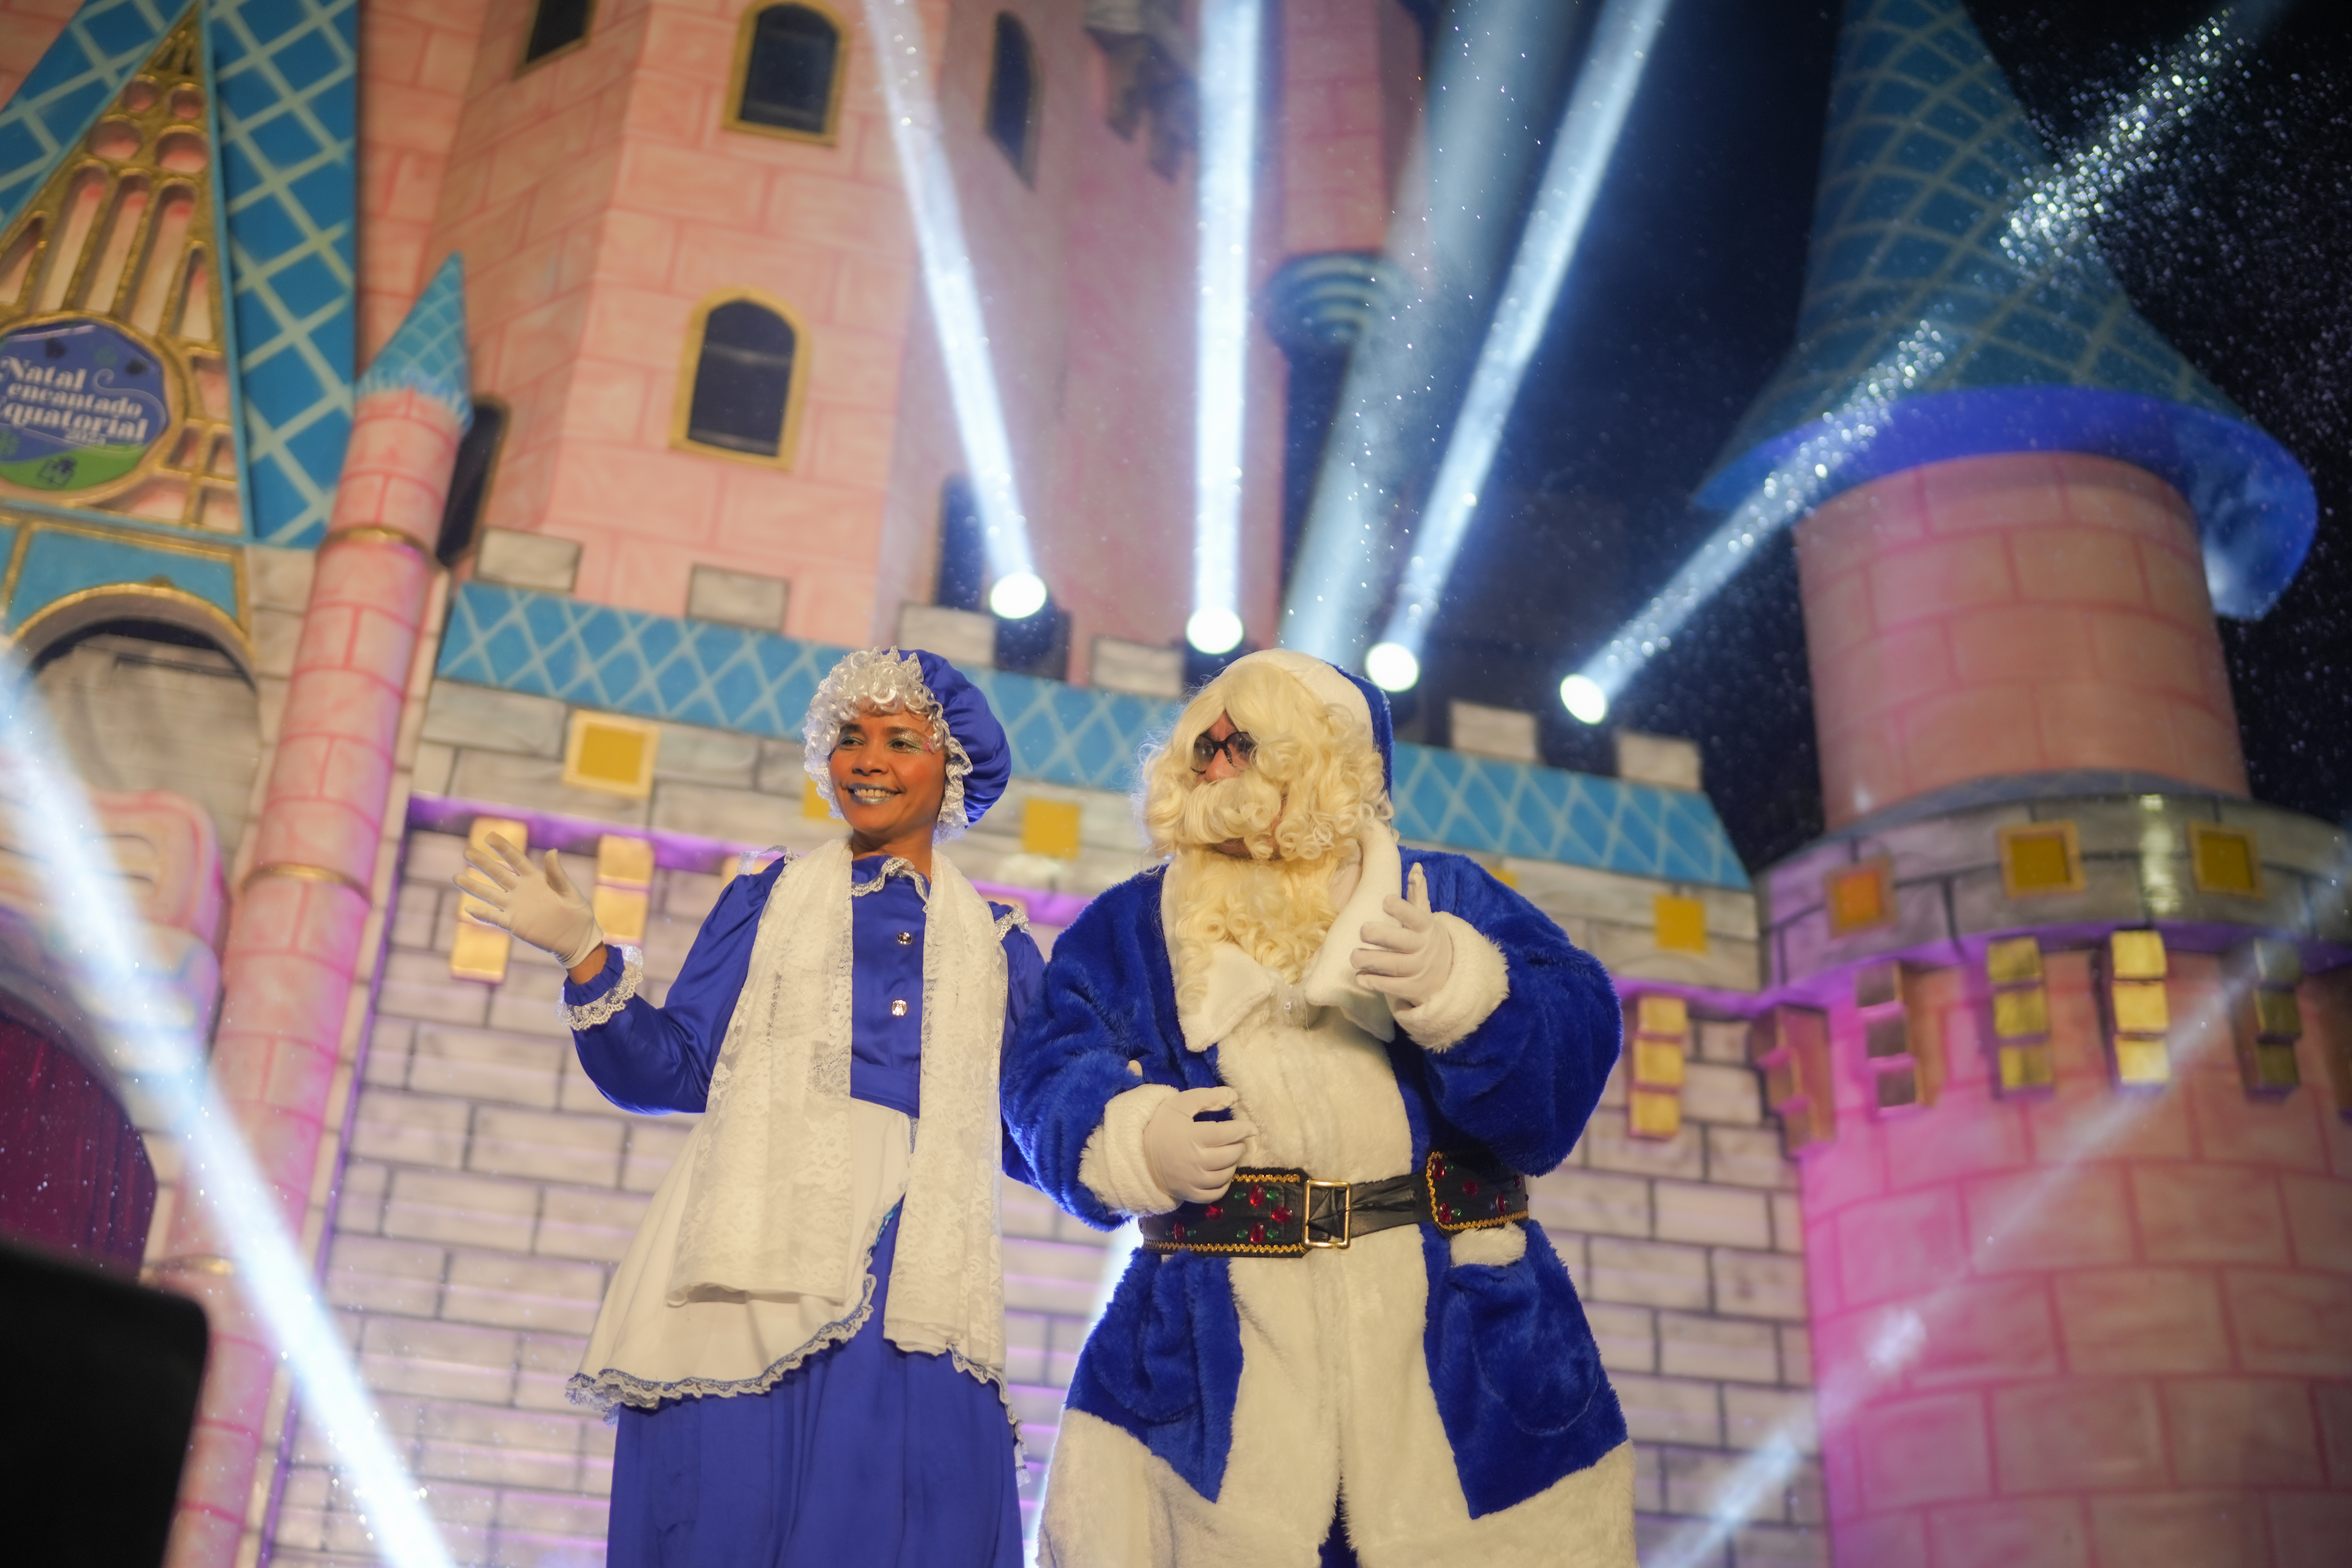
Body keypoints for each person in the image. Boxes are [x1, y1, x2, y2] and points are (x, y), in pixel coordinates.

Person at [1002, 650, 1634, 1567]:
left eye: (1242, 744)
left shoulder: (1444, 894)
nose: (1214, 766)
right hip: (1215, 1367)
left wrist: (1463, 987)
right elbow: (1042, 1076)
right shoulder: (1130, 928)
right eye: (1203, 746)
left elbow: (1571, 1052)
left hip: (1457, 1359)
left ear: (1324, 759)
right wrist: (1133, 1137)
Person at [456, 648, 1038, 1568]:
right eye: (850, 737)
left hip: (913, 1281)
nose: (868, 759)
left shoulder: (1000, 946)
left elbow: (1043, 1131)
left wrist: (1143, 1115)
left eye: (900, 739)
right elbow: (672, 1071)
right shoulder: (768, 896)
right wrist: (585, 956)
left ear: (954, 766)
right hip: (747, 1258)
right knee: (728, 1517)